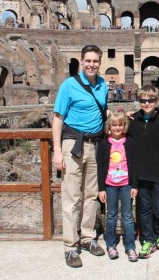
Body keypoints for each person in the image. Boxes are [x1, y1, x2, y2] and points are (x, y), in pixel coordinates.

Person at [52, 45, 108, 268]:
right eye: (88, 61)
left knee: (91, 195)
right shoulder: (68, 85)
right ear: (82, 61)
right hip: (72, 145)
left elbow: (102, 113)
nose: (91, 64)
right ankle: (69, 246)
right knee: (71, 197)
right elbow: (57, 118)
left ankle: (87, 238)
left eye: (95, 61)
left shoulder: (103, 84)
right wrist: (57, 151)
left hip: (95, 145)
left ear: (99, 62)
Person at [128, 85, 159, 259]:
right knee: (144, 208)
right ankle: (147, 239)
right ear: (139, 101)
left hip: (158, 173)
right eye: (143, 100)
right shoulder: (134, 121)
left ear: (157, 101)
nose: (146, 103)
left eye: (150, 100)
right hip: (140, 173)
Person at [97, 109, 139, 262]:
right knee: (111, 215)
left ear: (124, 126)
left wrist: (135, 185)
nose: (117, 128)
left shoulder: (129, 142)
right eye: (114, 125)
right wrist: (101, 188)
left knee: (128, 216)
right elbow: (101, 167)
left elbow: (133, 164)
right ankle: (110, 244)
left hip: (127, 184)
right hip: (110, 184)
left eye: (120, 125)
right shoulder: (104, 143)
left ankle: (130, 246)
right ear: (109, 126)